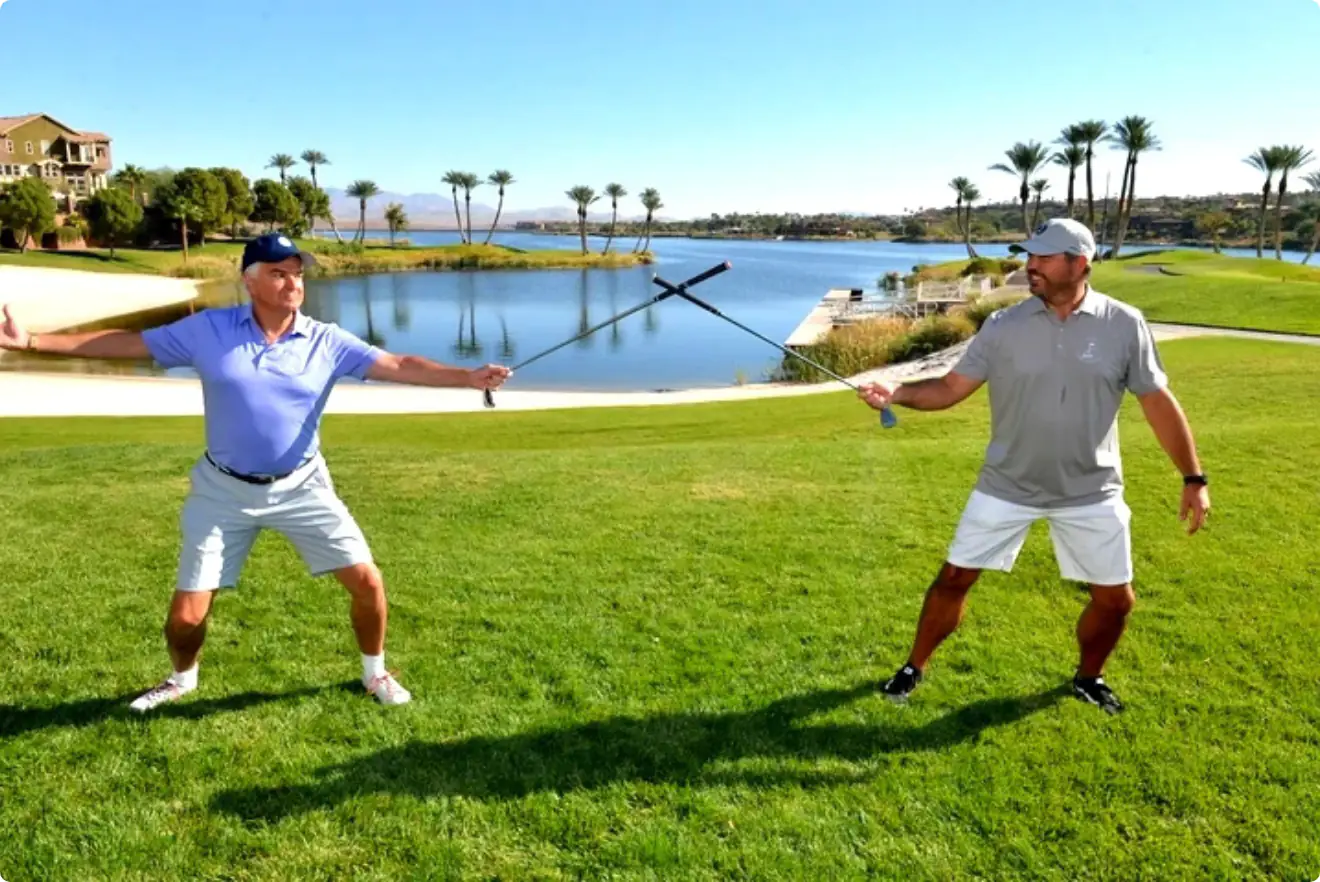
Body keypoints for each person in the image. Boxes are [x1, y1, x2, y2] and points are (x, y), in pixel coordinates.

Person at [0, 233, 512, 712]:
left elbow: (399, 364)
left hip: (303, 485)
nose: (293, 283)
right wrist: (33, 342)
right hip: (222, 489)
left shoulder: (325, 341)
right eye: (280, 274)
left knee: (367, 584)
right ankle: (182, 679)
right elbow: (128, 344)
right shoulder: (208, 330)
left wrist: (465, 377)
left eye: (298, 274)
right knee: (185, 618)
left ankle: (374, 673)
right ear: (249, 279)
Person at [857, 218, 1210, 714]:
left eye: (1043, 257)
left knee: (1116, 601)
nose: (1031, 266)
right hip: (1007, 483)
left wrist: (1193, 478)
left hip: (1091, 489)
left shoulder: (1123, 324)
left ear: (1079, 263)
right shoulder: (1004, 326)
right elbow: (951, 388)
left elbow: (1157, 401)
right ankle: (914, 665)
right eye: (1030, 256)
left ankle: (1089, 677)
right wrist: (898, 392)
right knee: (954, 578)